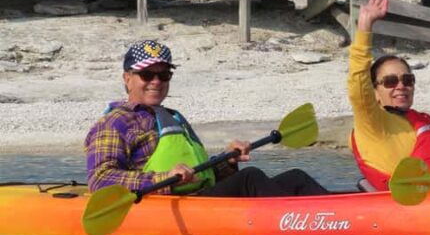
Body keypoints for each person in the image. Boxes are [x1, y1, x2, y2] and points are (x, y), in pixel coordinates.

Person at [84, 40, 328, 198]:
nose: (156, 81)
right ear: (127, 79)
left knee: (295, 177)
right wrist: (163, 179)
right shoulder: (115, 123)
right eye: (147, 74)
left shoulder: (173, 118)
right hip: (168, 206)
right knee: (250, 178)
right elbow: (100, 179)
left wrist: (227, 161)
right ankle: (302, 220)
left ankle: (347, 210)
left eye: (164, 75)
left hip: (199, 197)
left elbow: (204, 174)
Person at [347, 0, 430, 190]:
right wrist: (364, 28)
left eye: (407, 80)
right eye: (390, 81)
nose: (401, 86)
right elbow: (358, 85)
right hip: (419, 206)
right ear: (375, 91)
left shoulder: (422, 119)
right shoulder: (372, 122)